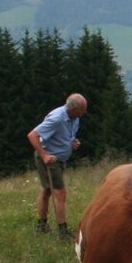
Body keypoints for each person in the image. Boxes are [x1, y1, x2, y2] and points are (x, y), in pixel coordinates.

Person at [27, 93, 87, 241]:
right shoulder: (57, 118)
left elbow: (66, 136)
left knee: (46, 190)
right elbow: (33, 135)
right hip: (51, 160)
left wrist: (73, 142)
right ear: (73, 109)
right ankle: (63, 231)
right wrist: (45, 155)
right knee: (60, 193)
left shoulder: (74, 118)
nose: (83, 113)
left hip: (59, 159)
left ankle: (41, 225)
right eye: (82, 110)